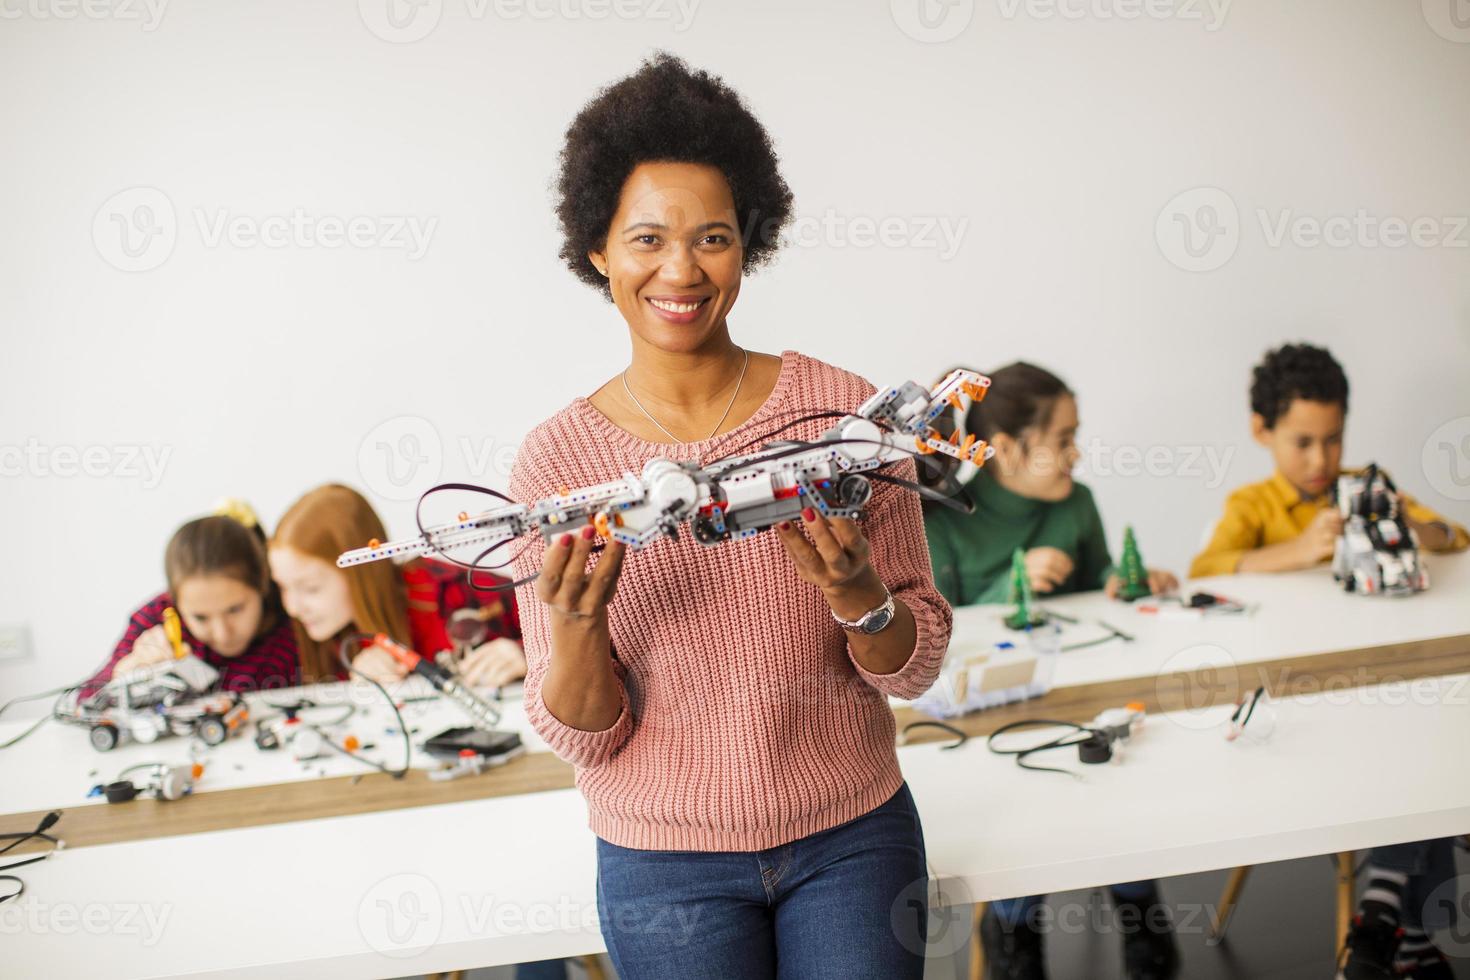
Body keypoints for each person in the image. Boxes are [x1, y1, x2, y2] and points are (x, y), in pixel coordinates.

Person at [507, 52, 952, 979]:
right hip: (661, 864)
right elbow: (586, 734)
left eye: (712, 237)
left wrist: (858, 591)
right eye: (645, 240)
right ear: (596, 250)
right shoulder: (555, 464)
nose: (681, 269)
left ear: (750, 243)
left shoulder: (843, 417)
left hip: (851, 836)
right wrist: (577, 627)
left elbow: (912, 665)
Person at [1187, 344, 1467, 980]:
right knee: (1408, 751)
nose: (1321, 460)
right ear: (1263, 432)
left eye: (1333, 440)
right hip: (1299, 698)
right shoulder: (1252, 506)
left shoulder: (1368, 484)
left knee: (1423, 740)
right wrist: (1293, 550)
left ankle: (1384, 912)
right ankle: (1411, 931)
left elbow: (1455, 539)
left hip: (1382, 676)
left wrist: (1410, 528)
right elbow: (1202, 572)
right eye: (1303, 442)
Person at [922, 362, 1181, 980]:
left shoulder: (1079, 504)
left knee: (1120, 773)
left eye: (1075, 435)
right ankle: (1014, 921)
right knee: (1019, 797)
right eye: (1062, 440)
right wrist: (1005, 586)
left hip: (1086, 695)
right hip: (995, 720)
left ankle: (1139, 905)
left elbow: (1101, 590)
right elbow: (934, 638)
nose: (1076, 453)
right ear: (1006, 449)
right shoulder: (944, 520)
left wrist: (1123, 583)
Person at [268, 483, 524, 686]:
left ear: (361, 570)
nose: (293, 608)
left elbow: (558, 617)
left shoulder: (447, 589)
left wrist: (528, 654)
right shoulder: (323, 636)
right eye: (283, 587)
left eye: (311, 588)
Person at [84, 500, 298, 696]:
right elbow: (83, 702)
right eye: (200, 618)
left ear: (263, 584)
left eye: (235, 610)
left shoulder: (296, 610)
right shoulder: (157, 619)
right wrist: (125, 672)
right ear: (175, 602)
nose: (223, 634)